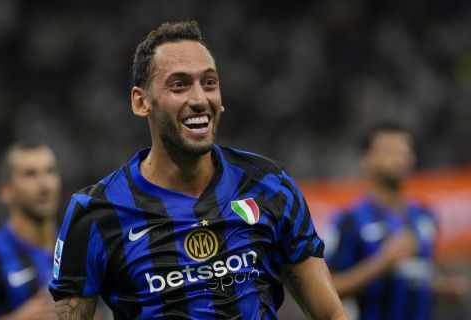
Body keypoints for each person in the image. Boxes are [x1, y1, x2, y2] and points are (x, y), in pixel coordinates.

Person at [49, 20, 347, 319]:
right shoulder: (96, 214)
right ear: (141, 102)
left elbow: (331, 314)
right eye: (179, 85)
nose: (199, 99)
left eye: (209, 83)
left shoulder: (269, 185)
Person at [325, 123, 441, 320]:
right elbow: (327, 288)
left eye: (406, 150)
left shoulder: (425, 216)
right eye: (390, 150)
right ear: (366, 160)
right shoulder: (349, 221)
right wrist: (380, 264)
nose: (401, 157)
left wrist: (441, 287)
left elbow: (416, 276)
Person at [0, 141, 60, 319]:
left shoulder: (78, 247)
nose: (44, 185)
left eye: (50, 172)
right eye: (30, 174)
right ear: (5, 190)